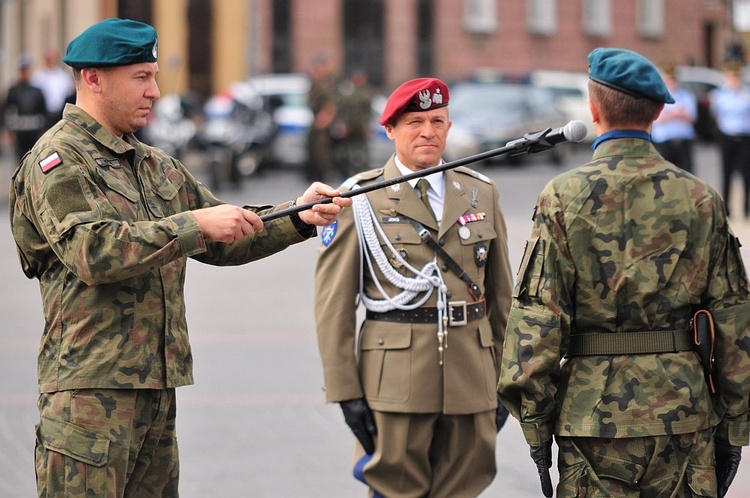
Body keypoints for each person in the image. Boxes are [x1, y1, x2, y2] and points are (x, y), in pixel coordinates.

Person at [9, 18, 350, 498]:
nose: (155, 91)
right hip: (89, 396)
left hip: (155, 389)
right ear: (93, 79)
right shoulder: (59, 161)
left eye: (154, 75)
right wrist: (194, 226)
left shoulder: (153, 164)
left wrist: (297, 215)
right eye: (141, 78)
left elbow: (225, 230)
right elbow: (93, 251)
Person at [498, 47, 750, 498]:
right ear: (657, 111)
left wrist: (535, 427)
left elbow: (538, 318)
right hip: (684, 413)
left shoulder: (563, 196)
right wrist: (734, 427)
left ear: (593, 109)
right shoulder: (701, 198)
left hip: (591, 419)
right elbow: (735, 319)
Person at [315, 77, 513, 496]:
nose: (428, 132)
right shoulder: (359, 199)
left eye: (438, 121)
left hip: (471, 377)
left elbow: (501, 300)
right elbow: (333, 306)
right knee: (395, 490)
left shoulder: (481, 193)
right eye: (415, 122)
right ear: (390, 130)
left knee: (464, 488)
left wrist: (506, 382)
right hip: (395, 383)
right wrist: (345, 392)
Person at [710, 60, 750, 218]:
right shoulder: (719, 95)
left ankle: (746, 207)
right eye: (731, 76)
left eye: (737, 76)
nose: (734, 80)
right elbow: (716, 115)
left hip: (745, 136)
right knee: (726, 172)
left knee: (746, 173)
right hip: (726, 135)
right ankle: (726, 207)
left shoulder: (746, 93)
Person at [651, 64, 698, 173]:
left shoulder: (686, 95)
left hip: (683, 141)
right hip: (664, 142)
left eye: (673, 79)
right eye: (669, 79)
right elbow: (657, 120)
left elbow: (691, 117)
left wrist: (669, 114)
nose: (671, 82)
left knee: (687, 175)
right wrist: (677, 113)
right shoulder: (658, 96)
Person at [2, 54, 47, 162]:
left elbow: (44, 112)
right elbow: (6, 110)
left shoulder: (37, 91)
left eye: (26, 70)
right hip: (19, 132)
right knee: (20, 160)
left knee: (34, 159)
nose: (24, 73)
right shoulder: (14, 90)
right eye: (22, 70)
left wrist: (43, 130)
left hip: (34, 131)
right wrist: (8, 130)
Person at [331, 68, 375, 179]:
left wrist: (367, 126)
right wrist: (342, 125)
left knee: (362, 152)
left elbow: (369, 111)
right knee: (345, 152)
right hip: (349, 126)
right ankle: (345, 173)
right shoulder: (347, 91)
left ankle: (362, 173)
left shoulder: (367, 92)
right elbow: (342, 109)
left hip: (360, 126)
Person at [305, 54, 339, 182]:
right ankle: (314, 175)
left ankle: (323, 175)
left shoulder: (328, 83)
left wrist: (325, 118)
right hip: (315, 120)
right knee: (313, 149)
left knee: (322, 151)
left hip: (322, 122)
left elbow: (331, 104)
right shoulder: (316, 83)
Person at [30, 48, 76, 126]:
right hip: (44, 114)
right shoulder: (38, 76)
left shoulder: (63, 76)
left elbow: (70, 92)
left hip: (60, 112)